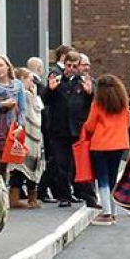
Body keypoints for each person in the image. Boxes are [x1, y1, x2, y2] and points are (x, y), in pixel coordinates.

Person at [42, 51, 97, 208]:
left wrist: (89, 93)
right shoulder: (57, 81)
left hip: (78, 129)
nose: (71, 69)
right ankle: (64, 196)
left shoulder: (84, 82)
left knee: (82, 164)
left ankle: (88, 196)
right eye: (68, 65)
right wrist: (50, 89)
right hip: (59, 130)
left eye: (75, 66)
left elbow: (91, 105)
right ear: (64, 65)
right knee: (61, 165)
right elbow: (45, 101)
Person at [80, 74, 130, 225]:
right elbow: (127, 123)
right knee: (113, 178)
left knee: (102, 178)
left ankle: (106, 212)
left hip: (101, 144)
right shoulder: (123, 104)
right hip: (119, 144)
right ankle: (113, 212)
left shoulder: (98, 104)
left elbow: (90, 125)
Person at [9, 66, 45, 210]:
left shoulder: (31, 94)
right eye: (30, 79)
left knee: (32, 166)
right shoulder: (22, 94)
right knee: (20, 166)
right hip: (25, 134)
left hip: (34, 135)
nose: (33, 82)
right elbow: (31, 111)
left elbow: (38, 110)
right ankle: (15, 198)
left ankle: (32, 198)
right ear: (22, 79)